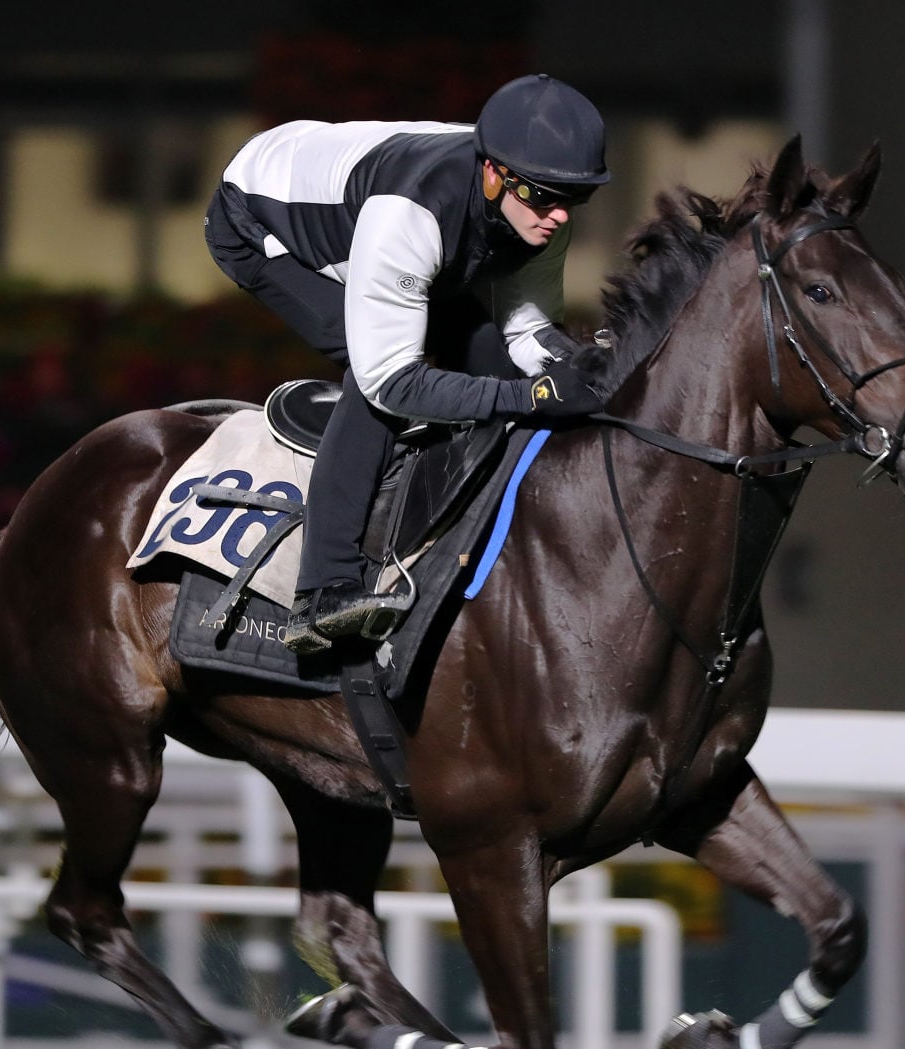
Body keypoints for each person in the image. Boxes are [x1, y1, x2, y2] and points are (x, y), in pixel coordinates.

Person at [204, 73, 610, 653]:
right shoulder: (413, 213)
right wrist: (528, 398)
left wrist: (585, 370)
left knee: (487, 352)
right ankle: (322, 590)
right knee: (382, 385)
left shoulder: (537, 206)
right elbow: (389, 381)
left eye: (575, 199)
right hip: (259, 223)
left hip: (380, 208)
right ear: (494, 174)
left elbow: (526, 333)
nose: (559, 217)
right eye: (543, 198)